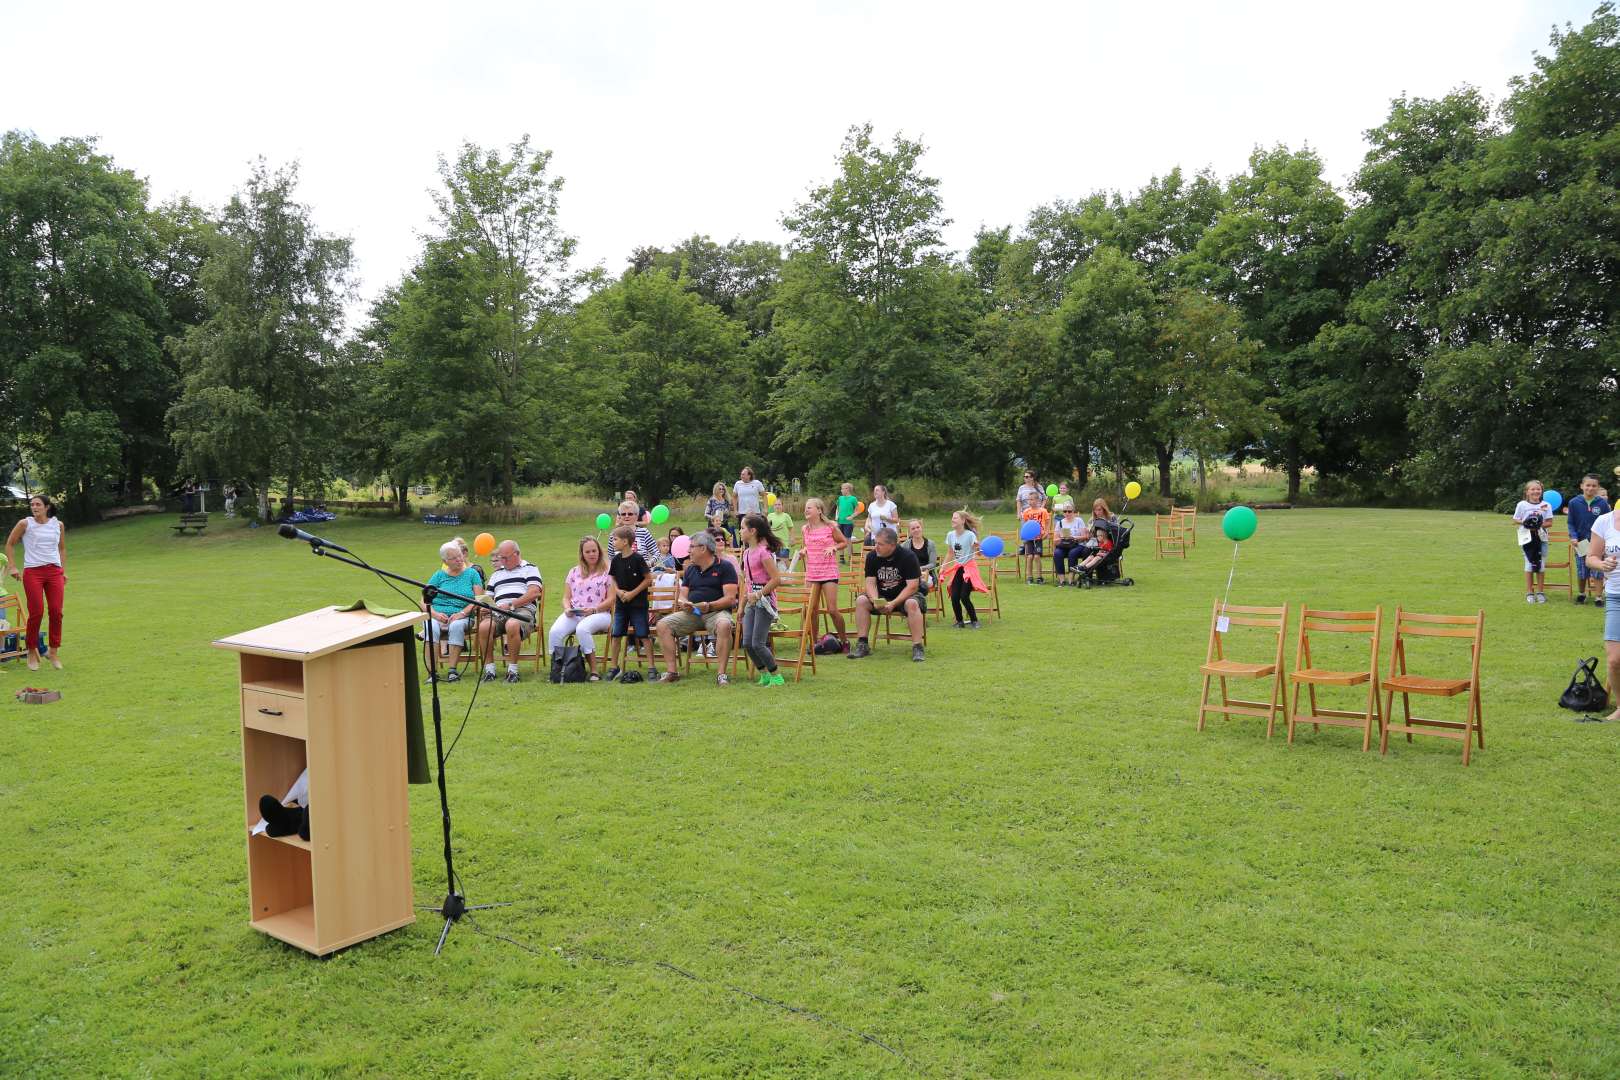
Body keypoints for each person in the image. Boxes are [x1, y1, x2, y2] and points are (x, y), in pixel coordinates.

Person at [653, 531, 740, 685]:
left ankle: (721, 674)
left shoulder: (725, 567)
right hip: (693, 613)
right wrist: (683, 602)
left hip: (716, 612)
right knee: (662, 625)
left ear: (703, 548)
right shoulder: (691, 569)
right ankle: (672, 672)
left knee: (725, 625)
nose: (688, 551)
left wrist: (709, 605)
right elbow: (683, 594)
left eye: (692, 547)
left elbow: (730, 598)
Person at [5, 495, 66, 671]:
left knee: (56, 612)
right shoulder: (25, 523)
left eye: (38, 504)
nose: (34, 507)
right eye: (32, 504)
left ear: (47, 507)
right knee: (36, 612)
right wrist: (13, 567)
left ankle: (53, 652)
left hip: (54, 572)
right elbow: (9, 544)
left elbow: (62, 548)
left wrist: (63, 571)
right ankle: (32, 650)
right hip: (33, 572)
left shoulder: (58, 525)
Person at [848, 527, 925, 662]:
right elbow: (870, 583)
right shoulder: (872, 556)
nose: (876, 547)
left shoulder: (908, 556)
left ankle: (917, 647)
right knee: (861, 600)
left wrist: (893, 603)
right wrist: (876, 600)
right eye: (875, 543)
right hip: (882, 596)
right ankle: (863, 644)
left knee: (912, 603)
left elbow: (913, 586)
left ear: (892, 545)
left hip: (905, 596)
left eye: (880, 544)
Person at [549, 537, 615, 680]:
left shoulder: (608, 571)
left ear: (599, 551)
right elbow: (566, 597)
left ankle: (594, 671)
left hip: (600, 613)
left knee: (582, 629)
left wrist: (594, 609)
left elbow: (612, 599)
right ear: (582, 554)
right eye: (588, 552)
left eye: (594, 551)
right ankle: (556, 670)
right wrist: (567, 609)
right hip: (575, 613)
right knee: (555, 631)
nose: (592, 554)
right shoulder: (573, 572)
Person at [477, 540, 542, 684]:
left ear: (517, 554)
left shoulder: (530, 568)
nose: (502, 561)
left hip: (522, 610)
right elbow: (487, 597)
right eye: (501, 558)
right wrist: (484, 607)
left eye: (505, 558)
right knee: (484, 626)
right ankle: (489, 670)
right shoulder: (496, 574)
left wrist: (511, 605)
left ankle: (513, 671)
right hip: (497, 611)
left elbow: (534, 593)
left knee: (512, 624)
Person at [422, 540, 484, 681]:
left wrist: (462, 613)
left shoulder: (472, 574)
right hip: (438, 615)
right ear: (445, 561)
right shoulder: (438, 576)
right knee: (430, 627)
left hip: (463, 615)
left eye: (460, 555)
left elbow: (479, 599)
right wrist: (436, 615)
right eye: (454, 558)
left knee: (456, 626)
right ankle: (432, 673)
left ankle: (452, 671)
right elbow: (423, 601)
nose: (459, 559)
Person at [739, 513, 786, 686]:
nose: (740, 531)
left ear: (752, 531)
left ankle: (776, 676)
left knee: (758, 643)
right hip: (751, 603)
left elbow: (776, 579)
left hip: (765, 603)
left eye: (743, 528)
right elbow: (747, 583)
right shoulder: (746, 553)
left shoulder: (763, 553)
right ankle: (764, 674)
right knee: (747, 643)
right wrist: (741, 607)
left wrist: (758, 595)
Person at [800, 497, 850, 651]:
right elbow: (807, 545)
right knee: (811, 610)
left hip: (828, 572)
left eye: (810, 507)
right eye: (806, 507)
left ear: (819, 510)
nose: (806, 510)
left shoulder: (831, 526)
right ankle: (815, 643)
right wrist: (804, 550)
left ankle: (844, 641)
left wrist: (834, 548)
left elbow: (844, 542)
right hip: (812, 573)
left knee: (832, 610)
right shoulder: (805, 529)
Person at [1585, 507, 1620, 718]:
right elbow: (1591, 557)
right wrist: (1602, 564)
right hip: (1616, 596)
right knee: (1615, 660)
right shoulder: (1604, 521)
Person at [605, 525, 652, 682]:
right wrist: (618, 591)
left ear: (625, 542)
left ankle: (652, 667)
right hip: (621, 605)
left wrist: (632, 593)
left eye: (615, 539)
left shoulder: (638, 559)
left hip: (638, 604)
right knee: (616, 634)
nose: (613, 542)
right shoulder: (616, 560)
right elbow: (613, 578)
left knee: (643, 635)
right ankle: (614, 667)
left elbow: (648, 579)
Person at [941, 509, 989, 629]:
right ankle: (959, 621)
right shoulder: (950, 535)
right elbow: (950, 553)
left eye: (955, 517)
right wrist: (943, 566)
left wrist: (979, 549)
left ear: (962, 521)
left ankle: (974, 621)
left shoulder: (970, 535)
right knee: (954, 595)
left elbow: (978, 553)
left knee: (964, 596)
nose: (952, 519)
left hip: (969, 569)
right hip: (958, 568)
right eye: (952, 517)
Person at [1568, 474, 1610, 606]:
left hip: (1598, 543)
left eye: (1594, 486)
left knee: (1598, 571)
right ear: (1582, 486)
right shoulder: (1574, 502)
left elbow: (1607, 523)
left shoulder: (1602, 504)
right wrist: (1573, 536)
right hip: (1580, 543)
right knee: (1582, 571)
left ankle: (1598, 597)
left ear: (1597, 488)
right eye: (1588, 485)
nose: (1590, 488)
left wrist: (1605, 540)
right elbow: (1570, 523)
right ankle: (1581, 594)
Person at [1513, 480, 1553, 604]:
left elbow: (1549, 522)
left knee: (1540, 565)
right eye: (1532, 489)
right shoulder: (1522, 505)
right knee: (1529, 564)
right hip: (1527, 539)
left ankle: (1540, 592)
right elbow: (1515, 520)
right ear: (1527, 491)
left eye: (1538, 489)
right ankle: (1530, 592)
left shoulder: (1546, 505)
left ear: (1541, 491)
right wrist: (1527, 522)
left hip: (1541, 538)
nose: (1536, 491)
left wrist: (1538, 524)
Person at [1020, 491, 1052, 584]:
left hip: (1039, 537)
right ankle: (1029, 577)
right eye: (1028, 500)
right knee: (1030, 557)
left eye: (1032, 499)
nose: (1030, 501)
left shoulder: (1043, 511)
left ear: (1037, 500)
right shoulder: (1026, 512)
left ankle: (1039, 577)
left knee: (1037, 557)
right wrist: (1024, 535)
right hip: (1029, 538)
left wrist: (1046, 532)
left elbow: (1047, 522)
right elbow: (1025, 525)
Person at [1053, 505, 1090, 583]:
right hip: (1064, 544)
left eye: (1069, 511)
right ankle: (1062, 580)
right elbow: (1055, 540)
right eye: (1065, 511)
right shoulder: (1060, 523)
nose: (1067, 513)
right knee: (1057, 553)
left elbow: (1085, 536)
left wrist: (1073, 537)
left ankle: (1071, 579)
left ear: (1073, 512)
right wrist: (1062, 538)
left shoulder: (1079, 520)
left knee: (1072, 553)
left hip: (1077, 544)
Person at [905, 518, 938, 605]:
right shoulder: (905, 545)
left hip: (927, 576)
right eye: (913, 528)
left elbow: (933, 564)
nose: (916, 530)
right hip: (910, 576)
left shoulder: (931, 544)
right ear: (909, 531)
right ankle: (912, 606)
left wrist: (921, 568)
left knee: (920, 585)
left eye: (917, 527)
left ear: (921, 528)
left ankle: (916, 606)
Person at [767, 500, 796, 570]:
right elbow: (767, 529)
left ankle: (791, 575)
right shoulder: (769, 516)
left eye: (779, 504)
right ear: (773, 506)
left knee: (784, 560)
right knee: (774, 561)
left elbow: (791, 528)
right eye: (776, 505)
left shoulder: (786, 516)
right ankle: (778, 577)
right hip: (772, 544)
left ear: (782, 506)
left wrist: (792, 538)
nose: (777, 506)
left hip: (783, 543)